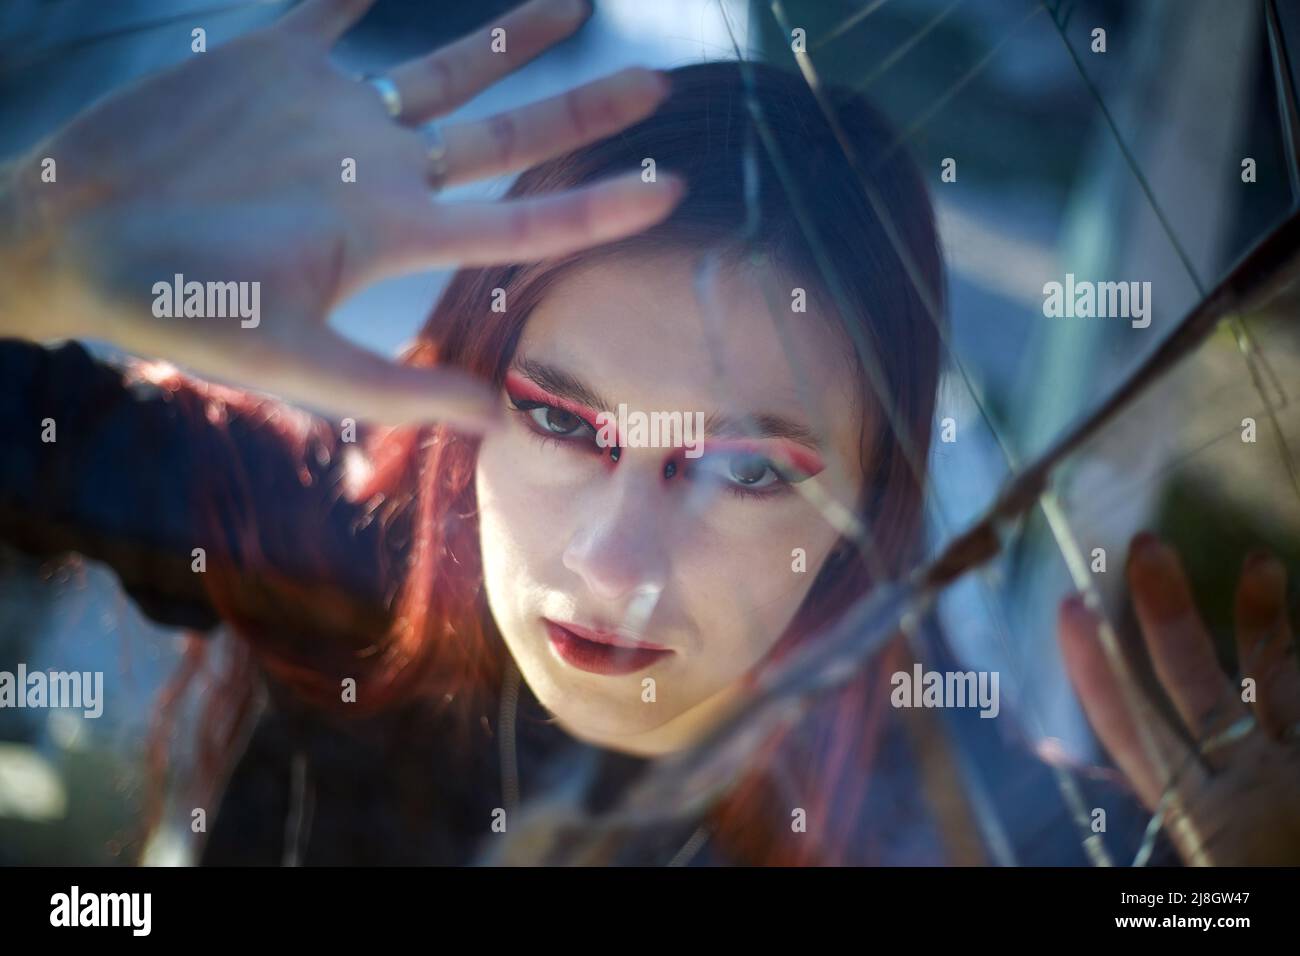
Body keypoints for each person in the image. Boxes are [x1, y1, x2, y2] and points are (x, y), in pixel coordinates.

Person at [1, 0, 1297, 865]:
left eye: (744, 470)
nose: (616, 567)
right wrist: (33, 251)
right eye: (562, 420)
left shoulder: (937, 801)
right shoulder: (348, 531)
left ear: (870, 499)